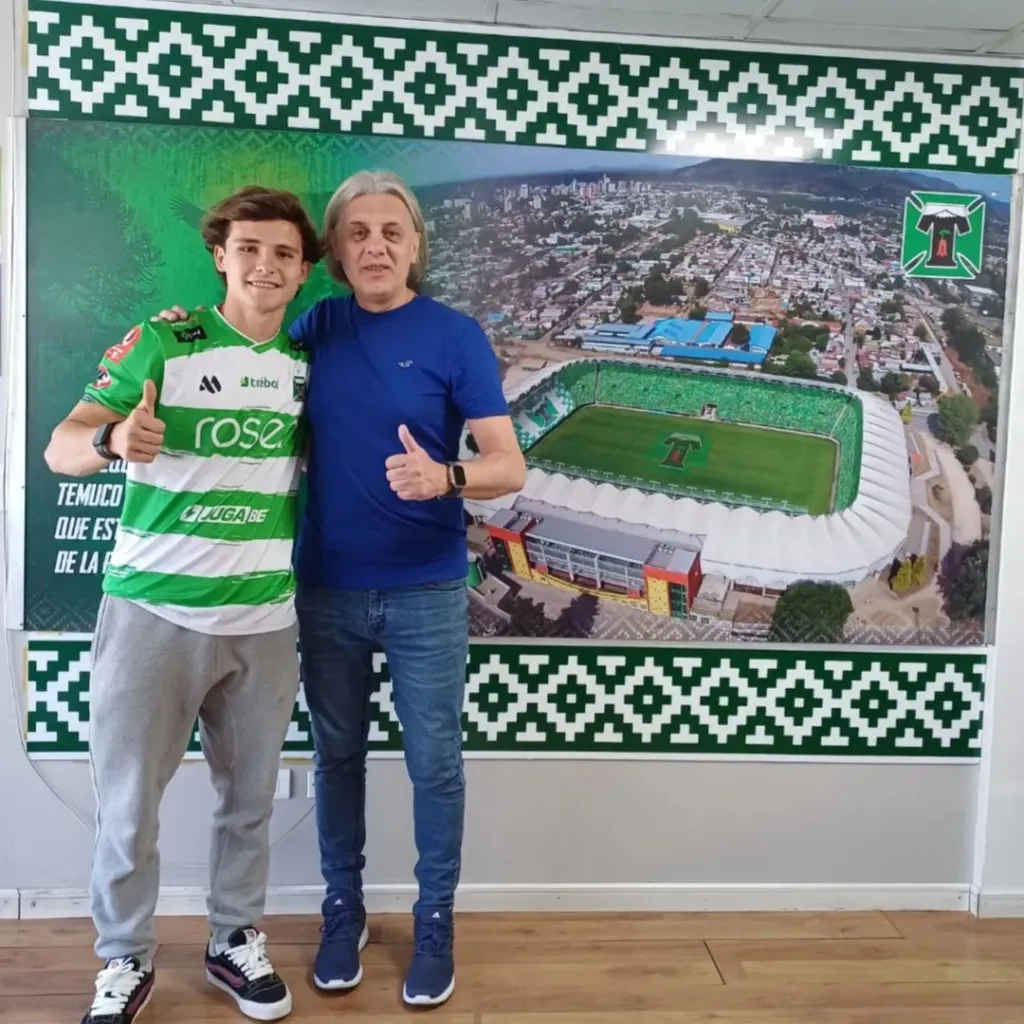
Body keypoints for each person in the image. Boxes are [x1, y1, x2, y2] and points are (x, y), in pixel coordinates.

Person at [156, 169, 526, 1009]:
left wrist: (450, 475)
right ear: (335, 252)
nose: (375, 246)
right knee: (338, 758)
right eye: (357, 233)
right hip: (324, 592)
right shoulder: (314, 328)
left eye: (392, 232)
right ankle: (342, 906)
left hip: (428, 591)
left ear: (416, 244)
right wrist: (179, 333)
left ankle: (435, 918)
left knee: (436, 766)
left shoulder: (455, 335)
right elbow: (233, 336)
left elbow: (510, 463)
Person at [44, 185, 323, 1024]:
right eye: (249, 248)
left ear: (305, 269)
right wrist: (112, 439)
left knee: (250, 802)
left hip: (265, 623)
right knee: (129, 805)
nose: (265, 264)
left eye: (283, 252)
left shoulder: (312, 364)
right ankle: (124, 959)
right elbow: (63, 447)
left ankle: (235, 940)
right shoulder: (165, 341)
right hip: (152, 615)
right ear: (220, 255)